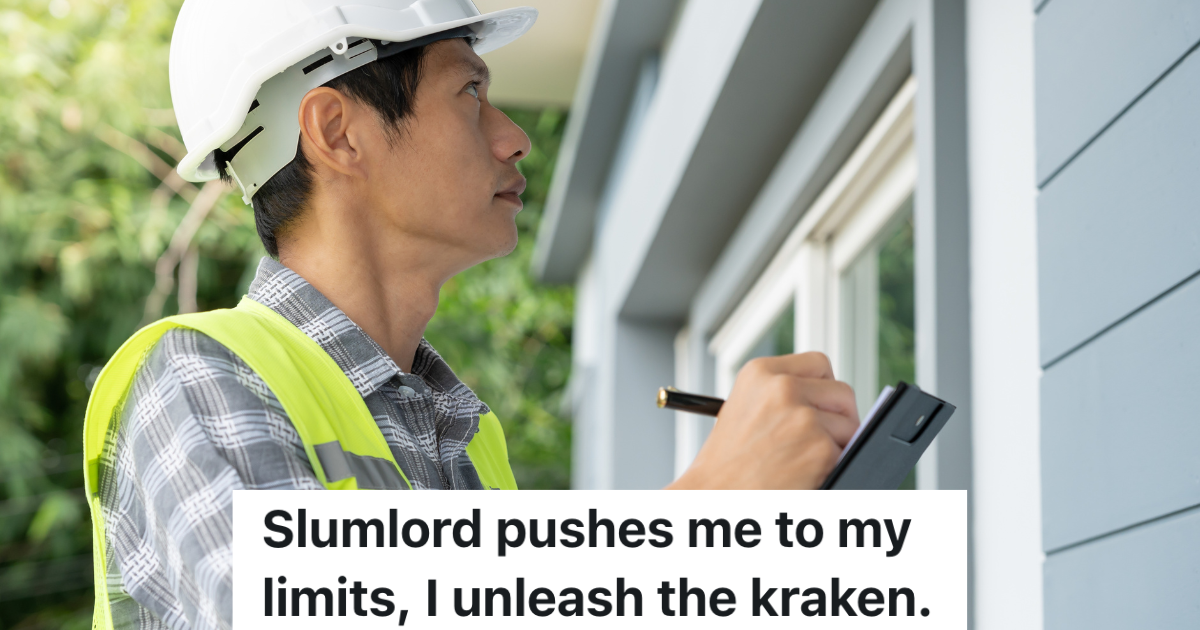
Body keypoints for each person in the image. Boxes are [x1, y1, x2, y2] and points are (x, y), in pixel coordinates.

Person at [83, 1, 860, 627]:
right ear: (336, 132)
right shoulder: (197, 380)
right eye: (469, 93)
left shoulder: (461, 434)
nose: (515, 138)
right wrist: (705, 512)